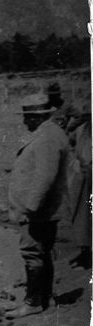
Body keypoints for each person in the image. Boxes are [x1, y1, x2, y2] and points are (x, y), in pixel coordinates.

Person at [5, 94, 70, 318]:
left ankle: (33, 302)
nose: (25, 122)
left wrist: (31, 207)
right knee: (42, 252)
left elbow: (45, 176)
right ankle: (45, 297)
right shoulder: (49, 133)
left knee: (32, 253)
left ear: (37, 116)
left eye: (27, 117)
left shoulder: (47, 138)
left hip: (39, 212)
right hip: (43, 210)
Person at [66, 104, 91, 270]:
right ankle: (85, 253)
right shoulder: (82, 129)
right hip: (83, 175)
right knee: (81, 216)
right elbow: (70, 140)